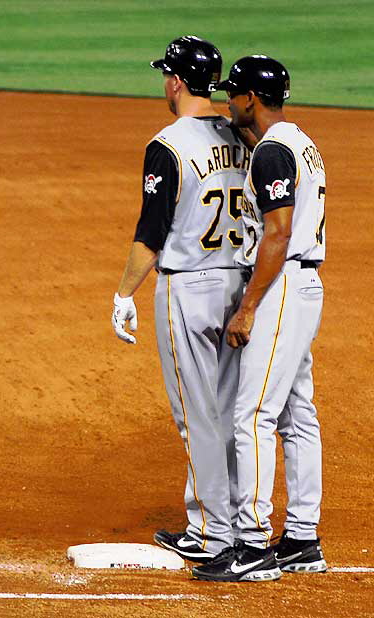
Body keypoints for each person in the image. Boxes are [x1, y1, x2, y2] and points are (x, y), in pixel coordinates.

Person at [111, 36, 252, 564]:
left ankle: (215, 530)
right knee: (231, 410)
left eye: (164, 75)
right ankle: (234, 517)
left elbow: (152, 232)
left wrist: (125, 292)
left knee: (197, 415)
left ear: (176, 81)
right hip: (240, 291)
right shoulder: (244, 137)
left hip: (189, 289)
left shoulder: (167, 144)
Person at [192, 56, 327, 582]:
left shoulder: (271, 152)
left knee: (253, 416)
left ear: (252, 98)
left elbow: (277, 232)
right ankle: (301, 537)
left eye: (234, 94)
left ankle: (252, 545)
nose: (228, 101)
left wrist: (248, 306)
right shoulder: (299, 142)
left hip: (280, 284)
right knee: (297, 413)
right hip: (302, 282)